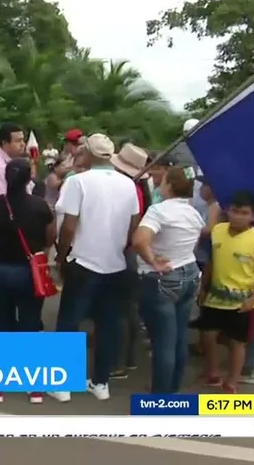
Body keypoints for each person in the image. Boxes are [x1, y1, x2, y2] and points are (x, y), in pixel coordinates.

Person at [51, 134, 140, 402]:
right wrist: (120, 246)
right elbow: (134, 223)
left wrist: (62, 255)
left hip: (83, 260)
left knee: (69, 321)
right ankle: (100, 382)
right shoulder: (128, 184)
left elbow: (69, 225)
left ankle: (62, 385)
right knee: (108, 324)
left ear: (88, 154)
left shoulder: (77, 182)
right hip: (114, 262)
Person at [0, 157, 55, 404]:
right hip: (29, 273)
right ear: (30, 178)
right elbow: (51, 238)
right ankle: (33, 386)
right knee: (30, 325)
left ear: (6, 178)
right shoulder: (41, 206)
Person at [132, 166, 203, 393]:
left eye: (162, 182)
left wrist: (152, 260)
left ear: (169, 186)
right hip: (188, 272)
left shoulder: (159, 211)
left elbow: (140, 241)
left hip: (163, 278)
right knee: (179, 337)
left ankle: (160, 396)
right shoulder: (192, 212)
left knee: (163, 341)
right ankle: (172, 387)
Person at [198, 190, 254, 394]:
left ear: (252, 216)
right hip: (215, 297)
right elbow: (211, 262)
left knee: (237, 342)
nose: (238, 216)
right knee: (207, 335)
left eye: (244, 213)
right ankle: (213, 373)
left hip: (242, 302)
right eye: (235, 211)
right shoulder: (218, 231)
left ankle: (232, 381)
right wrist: (203, 287)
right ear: (228, 211)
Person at [106, 142, 151, 379]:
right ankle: (130, 358)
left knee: (120, 310)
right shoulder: (139, 190)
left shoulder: (128, 191)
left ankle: (118, 362)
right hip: (130, 251)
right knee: (130, 309)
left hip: (123, 250)